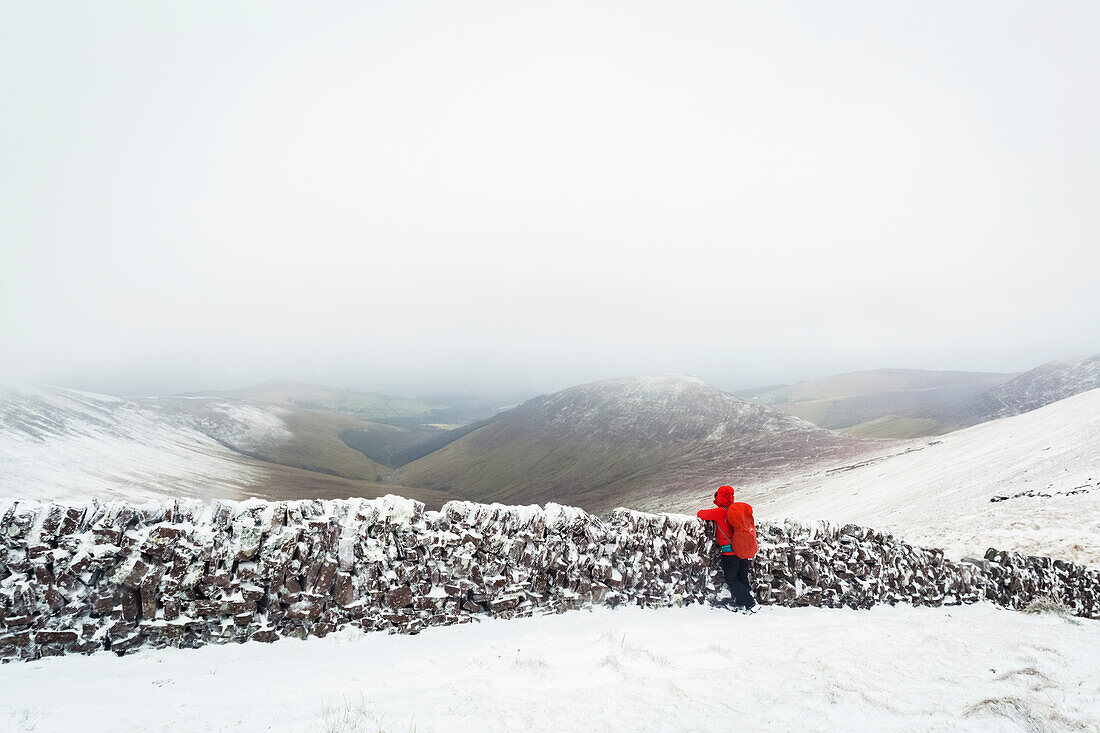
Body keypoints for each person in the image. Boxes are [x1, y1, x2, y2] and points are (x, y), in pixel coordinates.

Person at [696, 485, 758, 611]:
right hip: (742, 549)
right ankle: (743, 602)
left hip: (729, 552)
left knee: (731, 578)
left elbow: (700, 514)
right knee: (742, 577)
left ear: (720, 497)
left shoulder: (721, 512)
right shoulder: (735, 510)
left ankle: (750, 603)